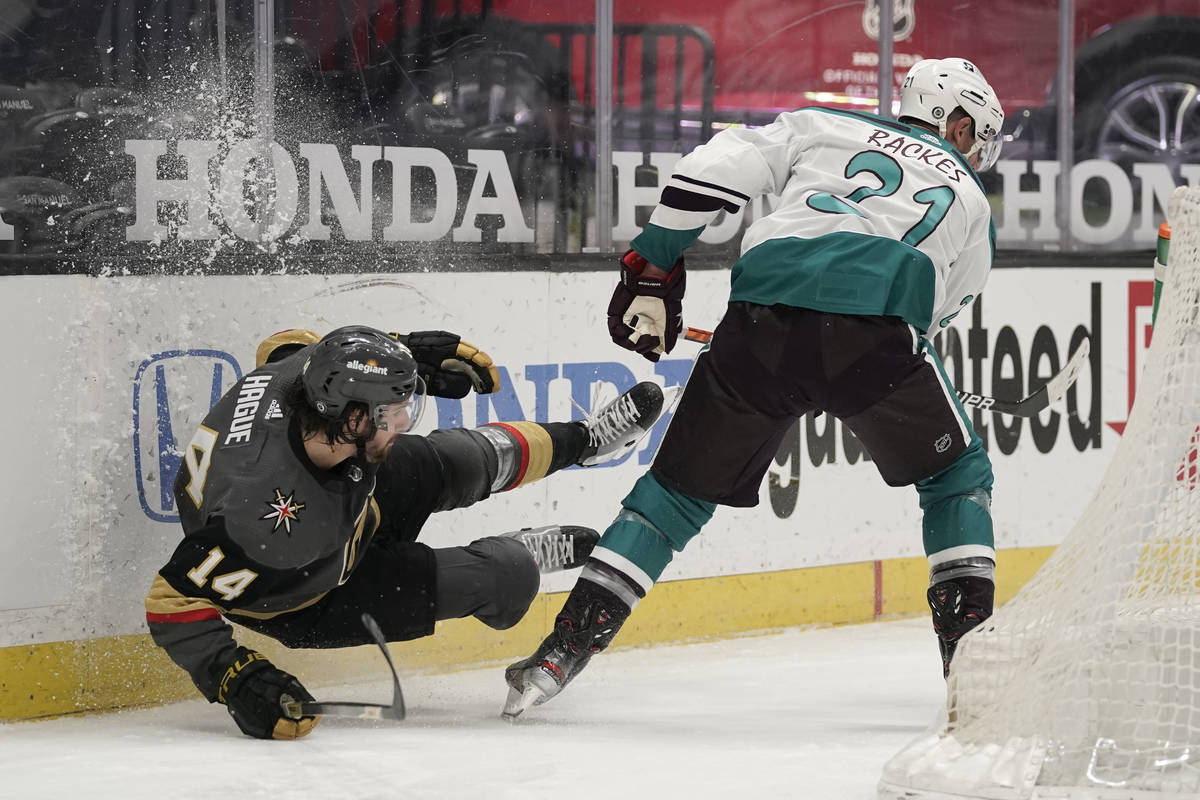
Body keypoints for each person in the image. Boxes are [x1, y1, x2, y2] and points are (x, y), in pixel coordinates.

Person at [503, 57, 1006, 718]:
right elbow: (937, 314)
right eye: (978, 138)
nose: (975, 154)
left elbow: (704, 171)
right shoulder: (969, 200)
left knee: (673, 499)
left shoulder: (821, 125)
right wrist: (845, 370)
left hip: (758, 320)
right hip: (875, 337)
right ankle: (971, 685)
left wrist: (654, 265)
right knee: (956, 478)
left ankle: (554, 658)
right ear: (960, 123)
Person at [145, 324, 666, 739]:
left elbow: (294, 344)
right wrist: (233, 677)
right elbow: (170, 602)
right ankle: (522, 551)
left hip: (343, 490)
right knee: (504, 578)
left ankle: (587, 441)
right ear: (352, 421)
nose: (404, 418)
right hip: (312, 594)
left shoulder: (303, 381)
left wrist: (400, 353)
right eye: (394, 412)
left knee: (464, 458)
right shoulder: (259, 521)